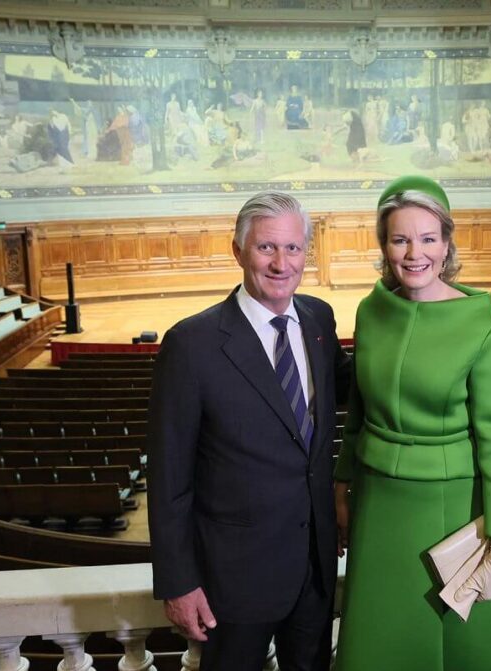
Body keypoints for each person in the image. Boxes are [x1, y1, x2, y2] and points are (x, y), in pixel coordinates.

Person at [332, 176, 491, 671]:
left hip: (452, 509)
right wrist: (341, 482)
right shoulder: (370, 309)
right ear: (384, 245)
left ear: (447, 244)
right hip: (378, 503)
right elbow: (357, 412)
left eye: (428, 238)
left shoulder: (481, 323)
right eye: (400, 239)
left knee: (455, 649)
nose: (414, 253)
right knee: (381, 640)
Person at [148, 191, 350, 671]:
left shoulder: (319, 318)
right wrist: (178, 582)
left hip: (314, 570)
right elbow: (169, 477)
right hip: (232, 582)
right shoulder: (191, 344)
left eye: (294, 248)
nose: (282, 263)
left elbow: (353, 391)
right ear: (238, 251)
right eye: (266, 248)